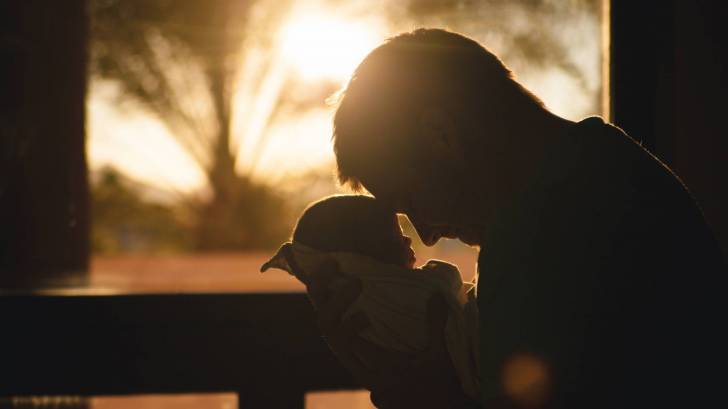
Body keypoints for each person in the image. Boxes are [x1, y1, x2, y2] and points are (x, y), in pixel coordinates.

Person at [306, 28, 726, 408]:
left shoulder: (536, 235)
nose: (427, 236)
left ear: (441, 135)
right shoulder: (613, 170)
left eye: (410, 200)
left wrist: (422, 396)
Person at [260, 195, 480, 402]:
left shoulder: (353, 311)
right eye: (394, 236)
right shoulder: (396, 296)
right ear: (360, 261)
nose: (410, 238)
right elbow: (447, 286)